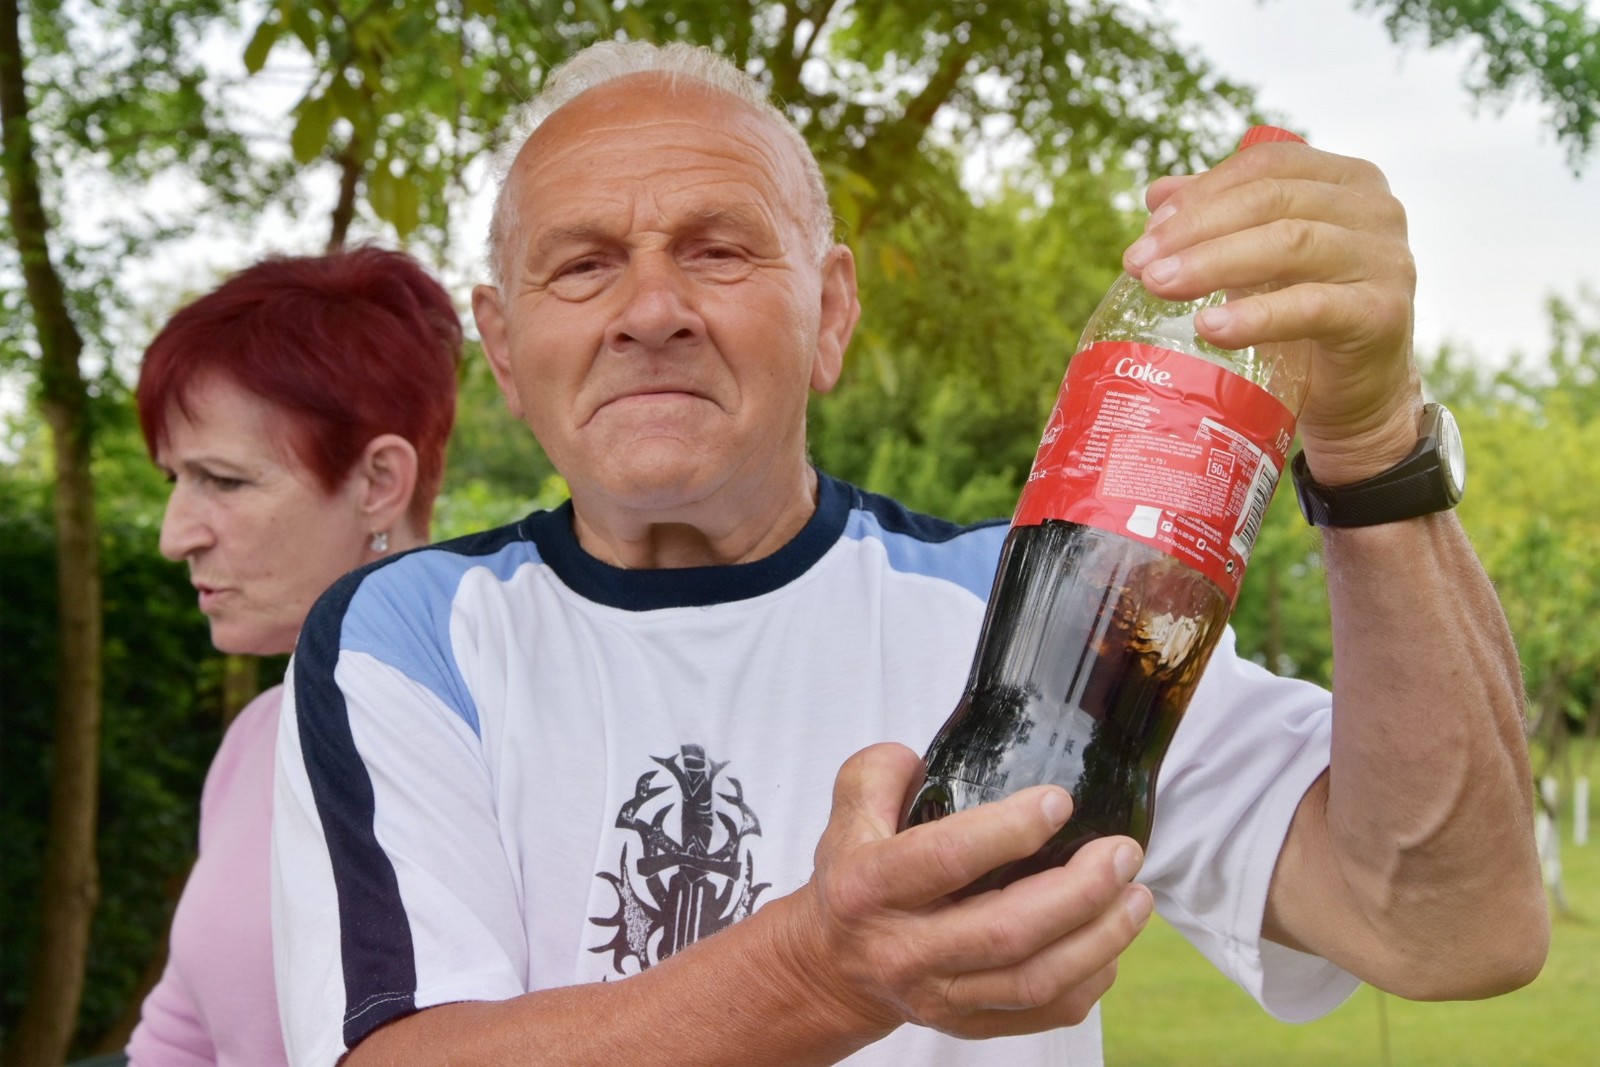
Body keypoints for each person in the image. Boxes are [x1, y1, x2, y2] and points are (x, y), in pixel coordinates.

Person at [271, 40, 1548, 1067]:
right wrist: (823, 969)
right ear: (500, 346)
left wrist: (1374, 445)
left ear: (829, 311)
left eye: (715, 249)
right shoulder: (407, 632)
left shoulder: (1034, 600)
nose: (650, 311)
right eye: (582, 265)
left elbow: (1451, 924)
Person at [125, 246, 463, 1067]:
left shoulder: (509, 724)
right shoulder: (257, 739)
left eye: (224, 482)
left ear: (379, 480)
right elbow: (180, 1037)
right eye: (176, 478)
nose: (177, 535)